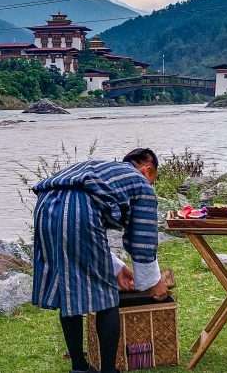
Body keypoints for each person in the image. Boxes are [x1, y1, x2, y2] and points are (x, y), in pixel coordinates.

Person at [31, 148, 169, 373]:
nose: (151, 184)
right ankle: (108, 370)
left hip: (46, 205)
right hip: (78, 207)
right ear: (147, 168)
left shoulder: (104, 172)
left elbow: (87, 233)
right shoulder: (141, 183)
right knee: (106, 296)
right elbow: (143, 238)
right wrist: (152, 281)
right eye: (153, 177)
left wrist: (117, 268)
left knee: (69, 284)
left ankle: (79, 367)